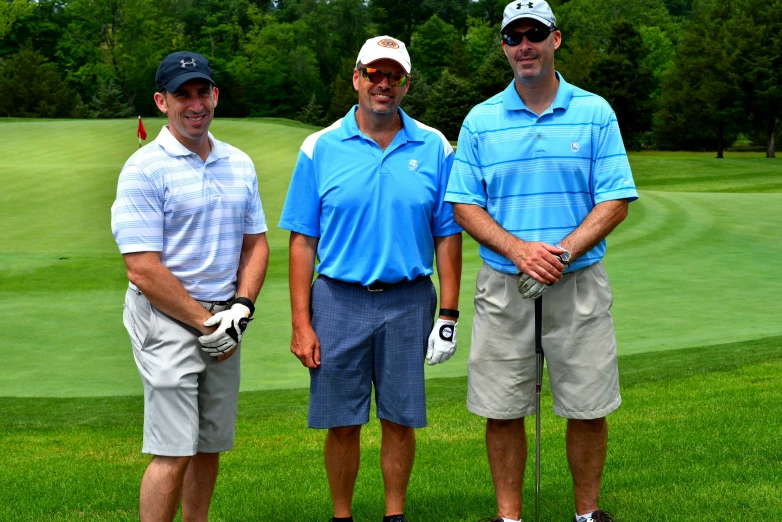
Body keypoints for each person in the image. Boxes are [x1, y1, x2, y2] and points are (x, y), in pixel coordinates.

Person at [444, 2, 638, 522]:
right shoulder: (482, 119)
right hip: (505, 284)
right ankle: (508, 517)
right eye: (514, 37)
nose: (524, 45)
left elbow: (615, 199)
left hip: (577, 282)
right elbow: (464, 203)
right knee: (502, 408)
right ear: (504, 46)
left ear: (556, 39)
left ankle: (587, 514)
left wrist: (561, 252)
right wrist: (519, 250)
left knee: (588, 405)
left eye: (535, 34)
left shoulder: (594, 111)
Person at [279, 36, 462, 522]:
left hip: (409, 300)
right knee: (342, 423)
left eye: (394, 76)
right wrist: (301, 322)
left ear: (406, 83)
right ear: (356, 77)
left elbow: (447, 236)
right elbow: (302, 241)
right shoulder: (319, 146)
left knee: (399, 419)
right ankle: (342, 515)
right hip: (338, 299)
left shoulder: (434, 145)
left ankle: (393, 515)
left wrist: (448, 313)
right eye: (374, 74)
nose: (384, 84)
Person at [110, 51, 270, 522]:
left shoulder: (238, 163)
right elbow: (141, 268)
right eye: (183, 95)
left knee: (208, 444)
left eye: (203, 92)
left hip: (224, 317)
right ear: (162, 102)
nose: (195, 104)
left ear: (215, 95)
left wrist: (241, 307)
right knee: (174, 449)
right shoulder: (143, 169)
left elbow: (256, 244)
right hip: (167, 320)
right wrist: (206, 323)